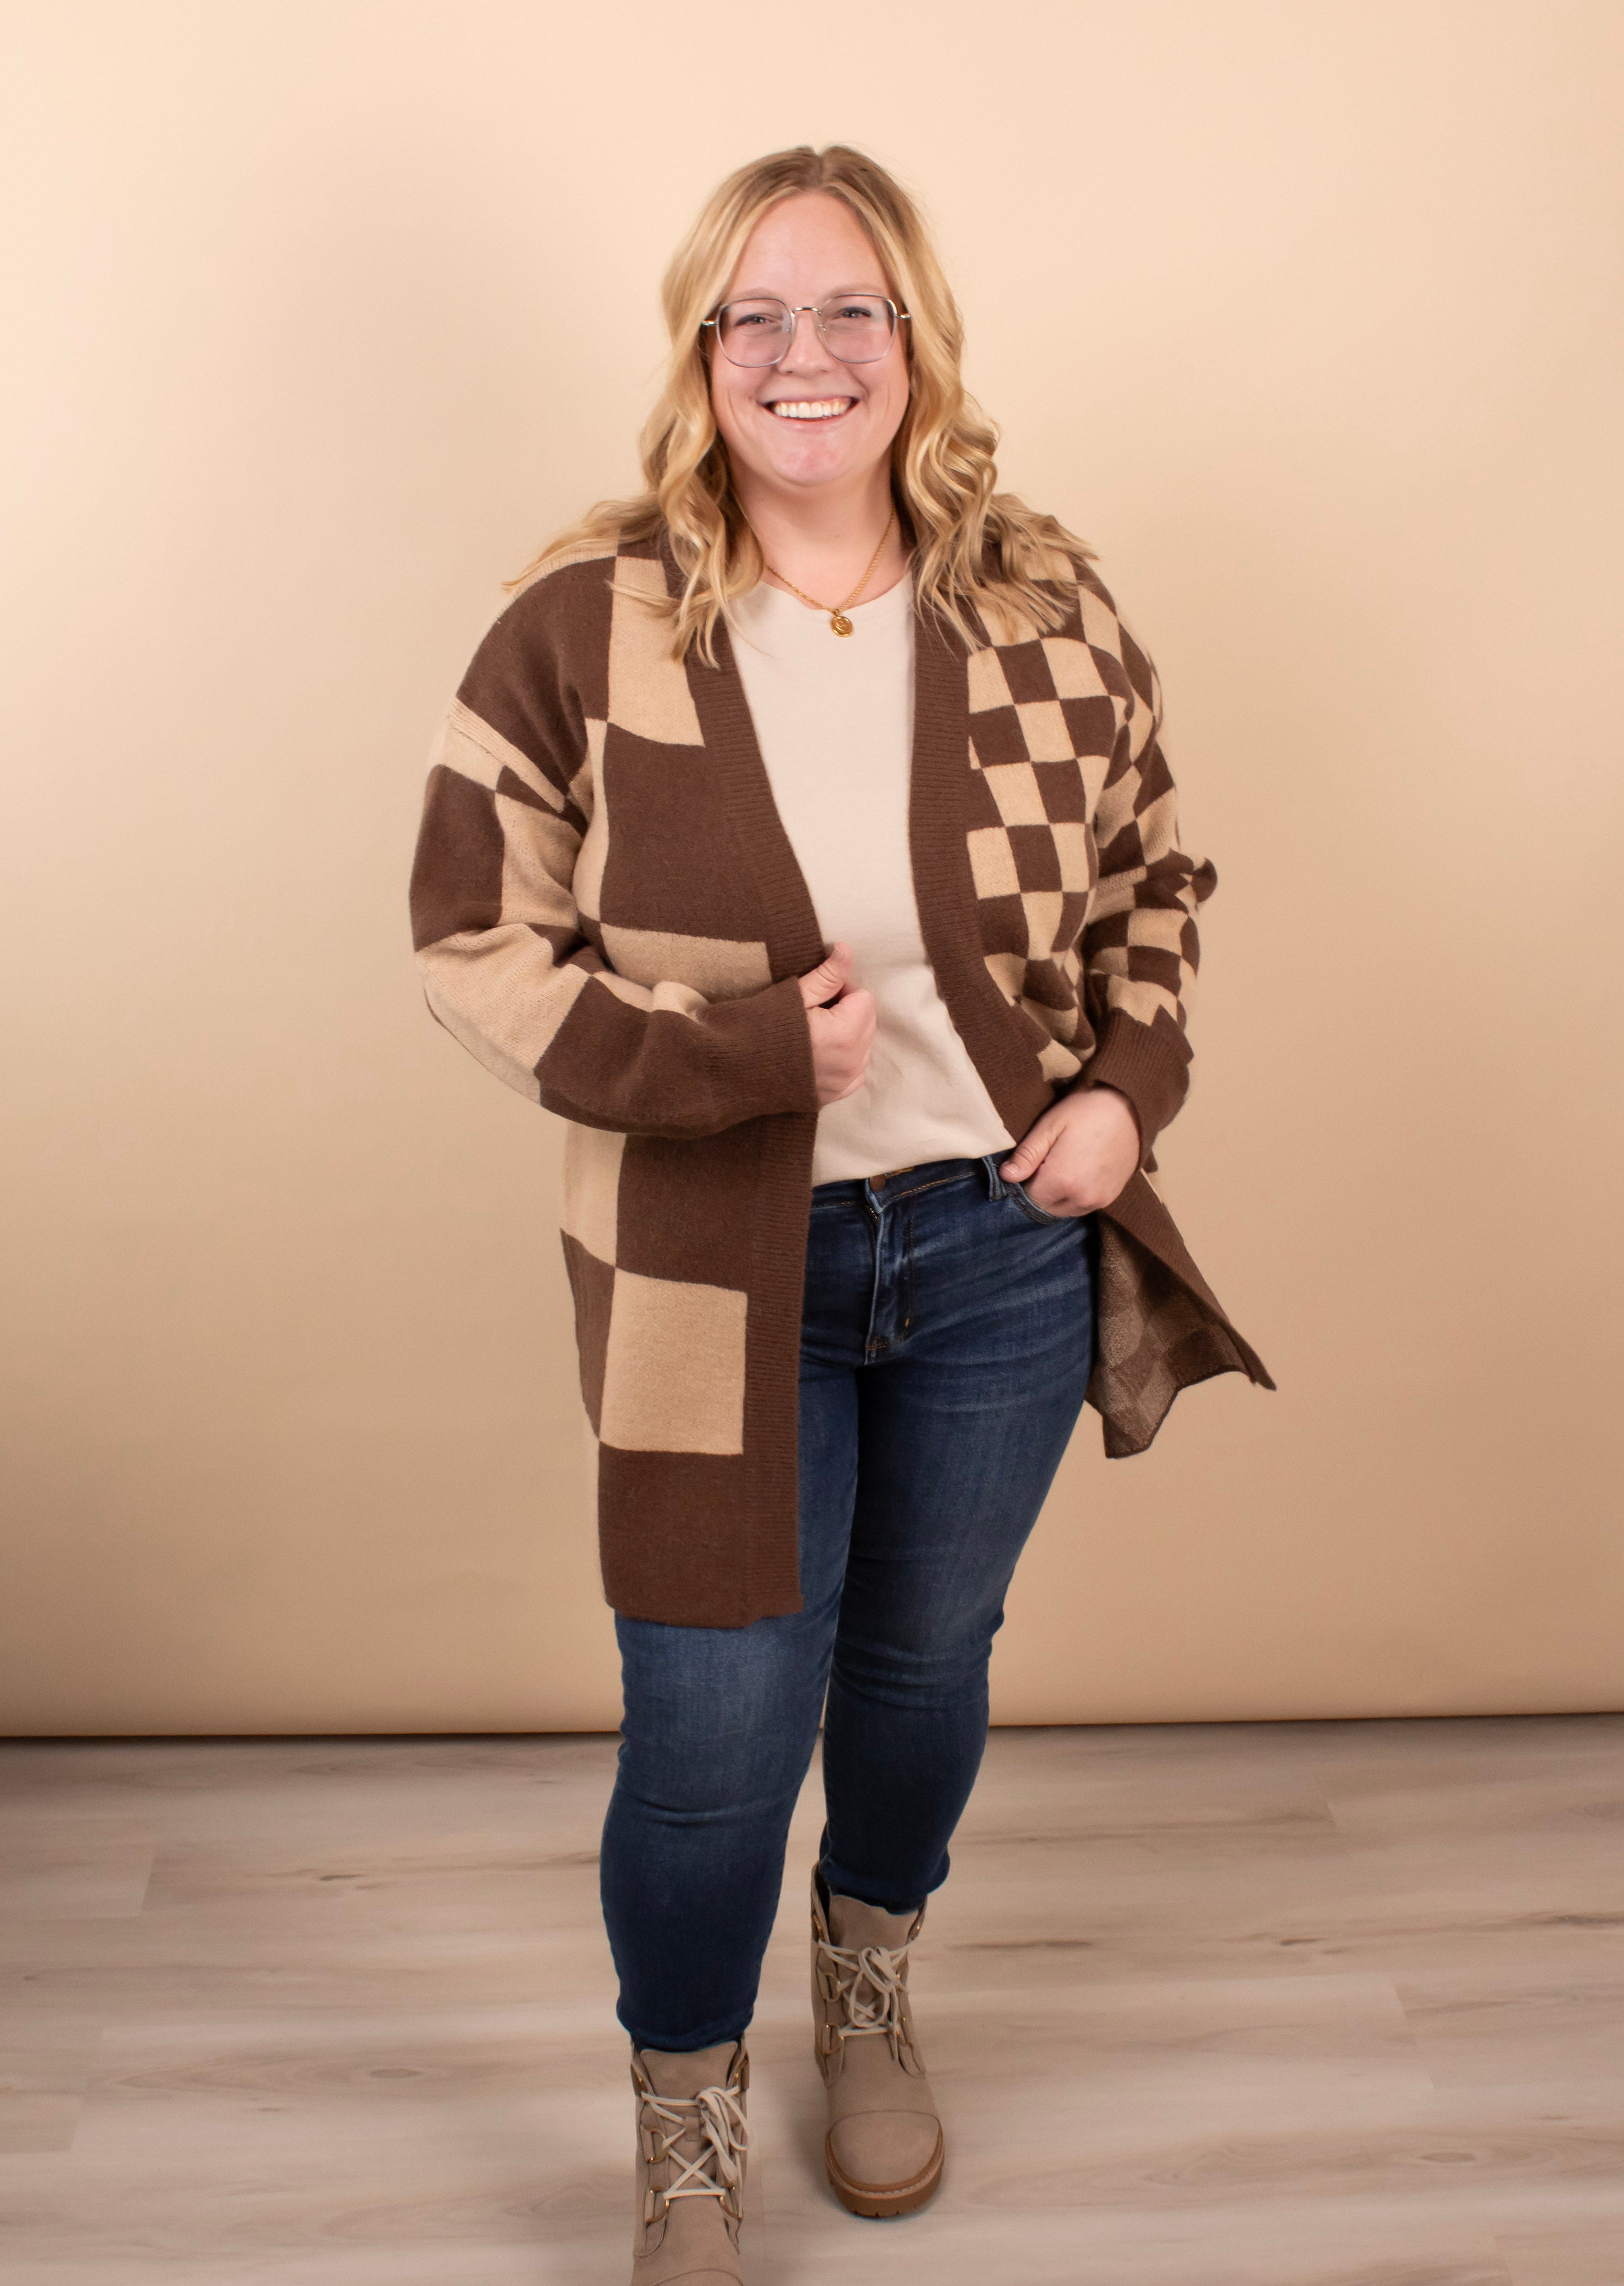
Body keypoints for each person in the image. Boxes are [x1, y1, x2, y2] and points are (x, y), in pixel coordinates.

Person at [409, 142, 1273, 2286]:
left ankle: (868, 1975)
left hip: (993, 1250)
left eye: (851, 309)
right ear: (704, 351)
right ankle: (685, 2108)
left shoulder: (1040, 607)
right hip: (714, 1270)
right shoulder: (585, 625)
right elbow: (471, 941)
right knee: (713, 1729)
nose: (807, 355)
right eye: (759, 315)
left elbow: (1155, 875)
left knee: (918, 1674)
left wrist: (1122, 1093)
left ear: (915, 342)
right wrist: (725, 1059)